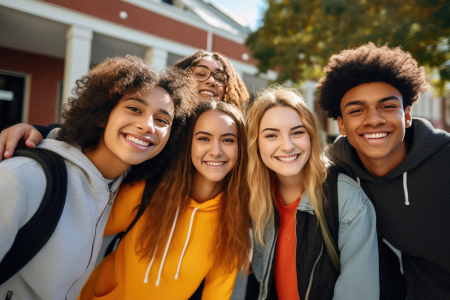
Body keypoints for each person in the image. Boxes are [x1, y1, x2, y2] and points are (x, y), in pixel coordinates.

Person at [0, 55, 198, 300]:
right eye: (134, 108)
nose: (148, 125)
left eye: (162, 120)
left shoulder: (121, 183)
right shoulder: (23, 178)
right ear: (102, 115)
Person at [317, 42, 450, 300]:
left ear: (407, 115)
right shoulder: (338, 171)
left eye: (388, 106)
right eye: (357, 110)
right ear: (342, 125)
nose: (374, 119)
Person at [78, 101, 250, 299]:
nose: (216, 151)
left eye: (228, 140)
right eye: (203, 138)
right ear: (188, 145)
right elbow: (80, 228)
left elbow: (217, 293)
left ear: (241, 148)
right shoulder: (146, 192)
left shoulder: (235, 220)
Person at [245, 86, 379, 300]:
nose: (287, 146)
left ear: (312, 136)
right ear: (256, 144)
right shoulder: (257, 196)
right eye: (271, 135)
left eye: (297, 132)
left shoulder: (345, 197)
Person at [0, 50, 249, 157]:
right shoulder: (159, 125)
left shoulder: (234, 134)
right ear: (182, 77)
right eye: (201, 72)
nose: (212, 81)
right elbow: (92, 133)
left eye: (220, 77)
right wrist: (42, 133)